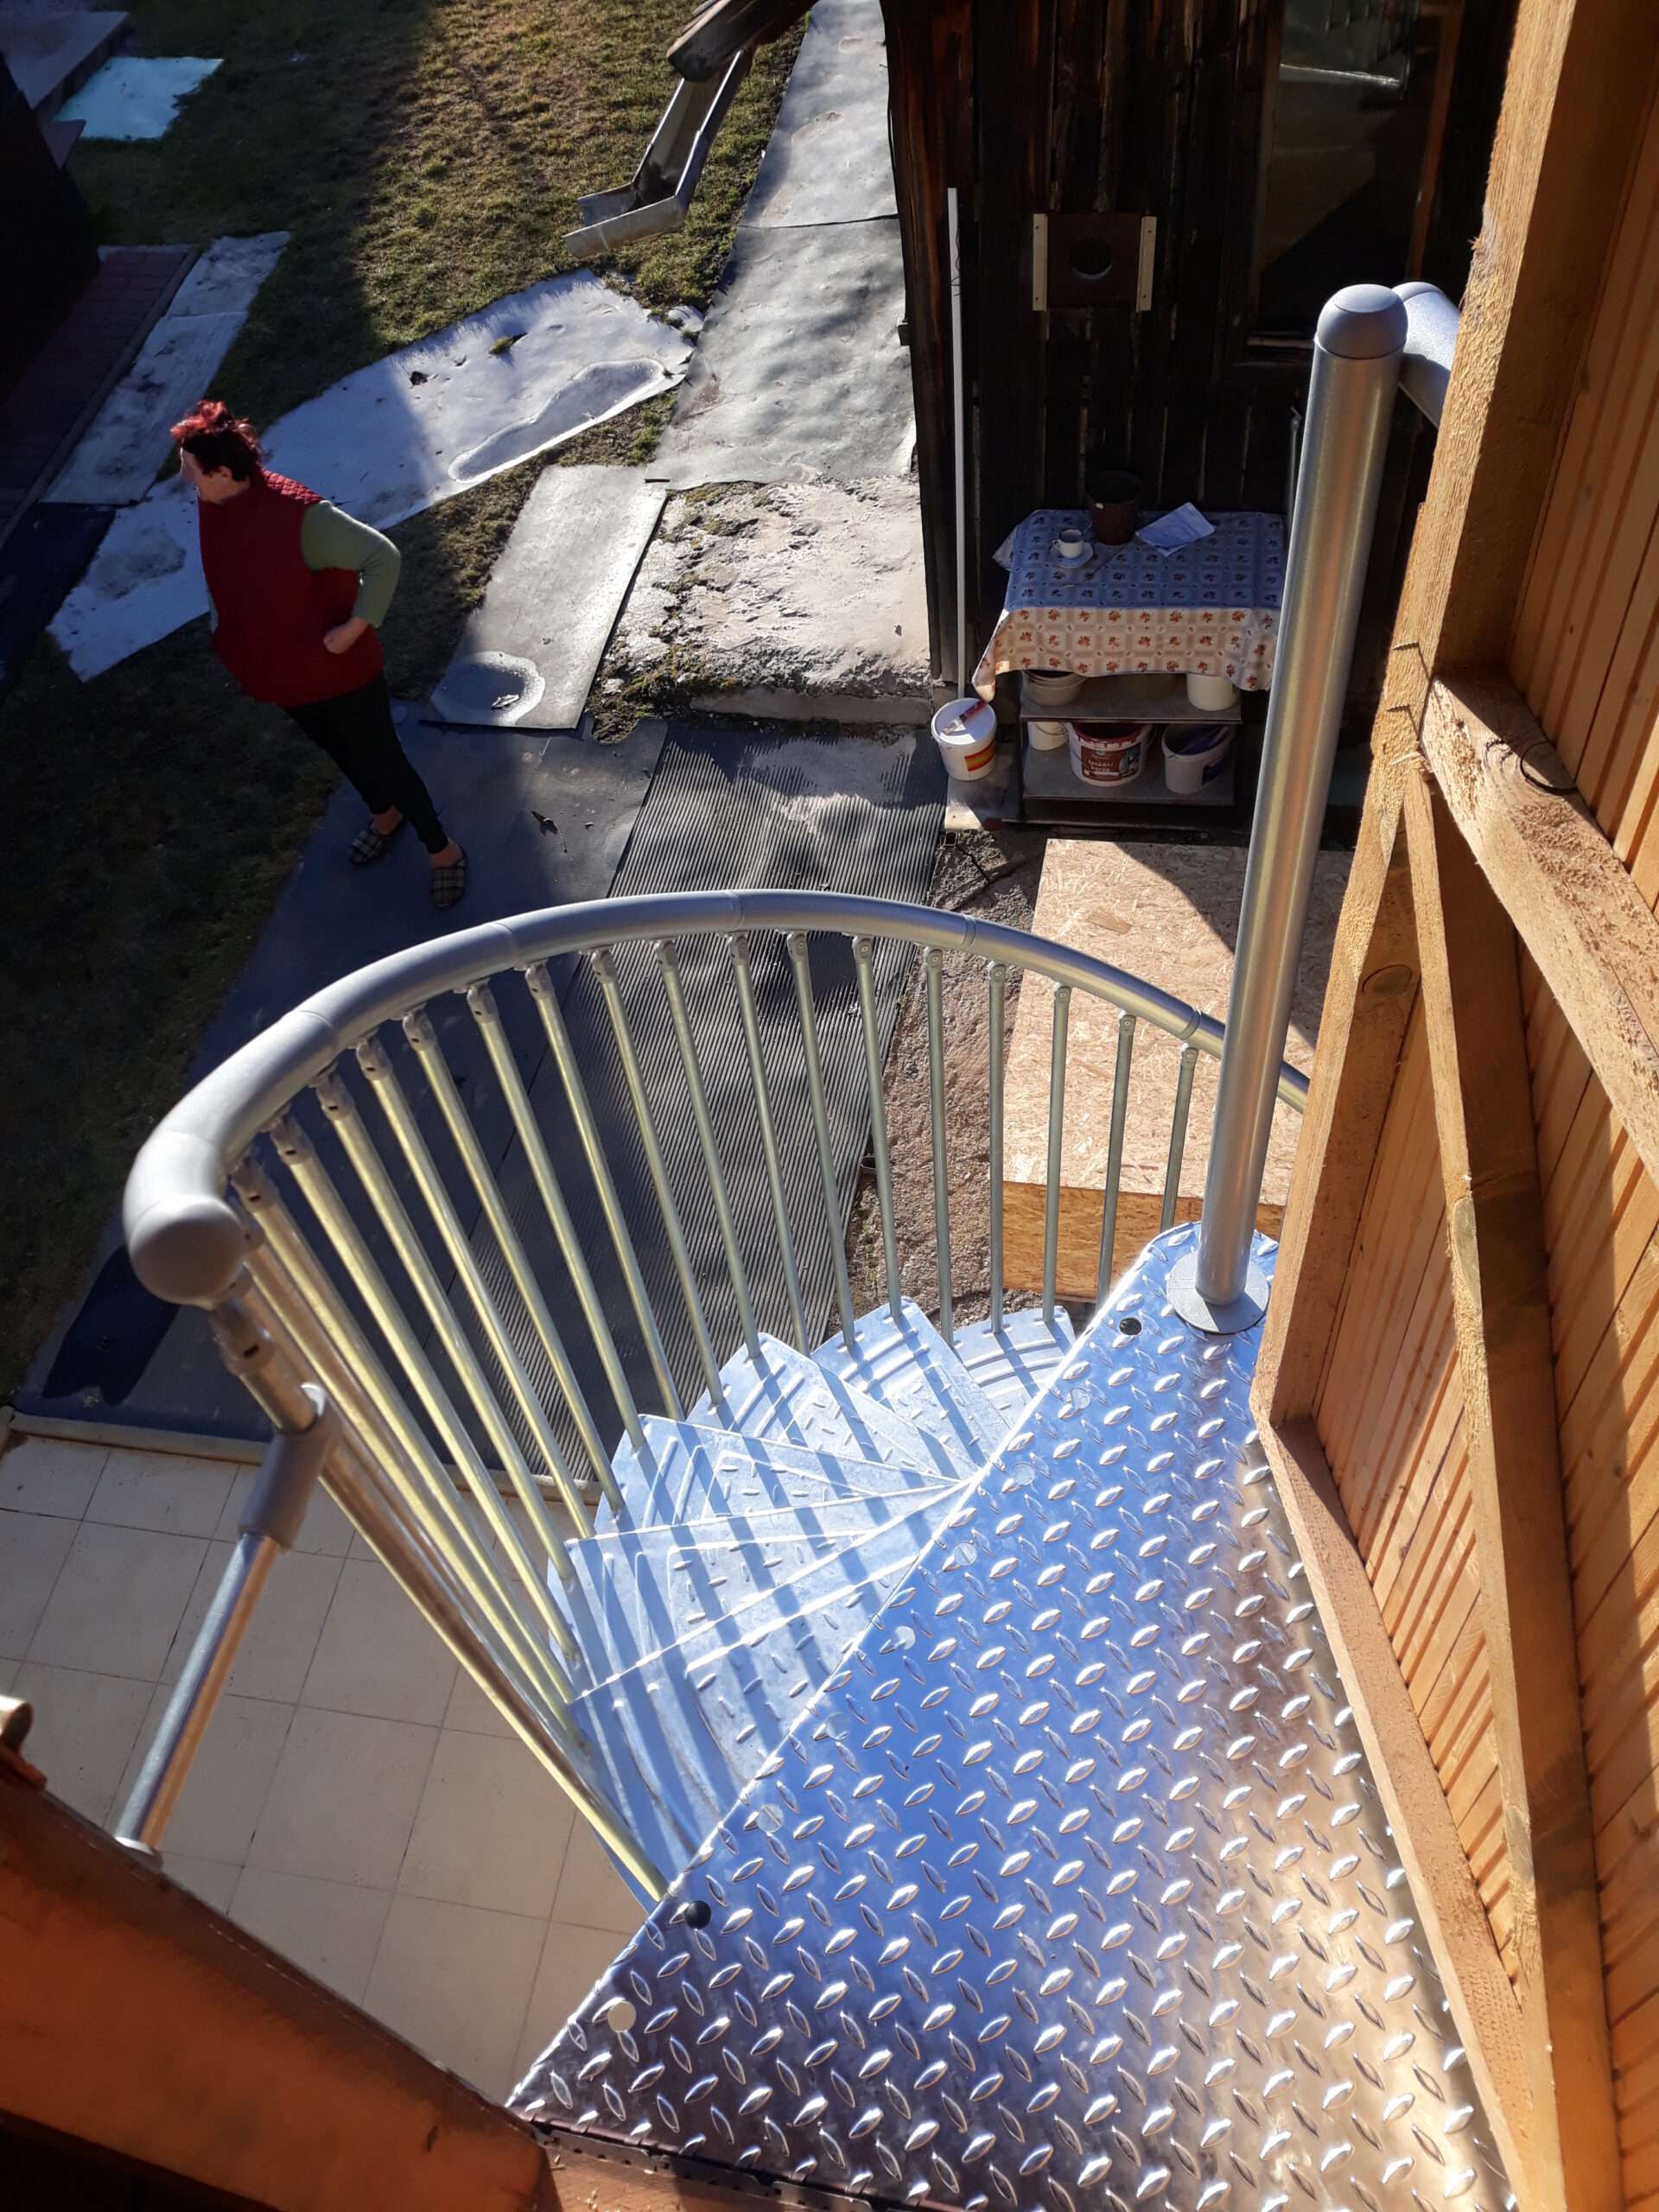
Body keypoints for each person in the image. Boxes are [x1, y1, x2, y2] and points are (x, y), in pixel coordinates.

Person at [171, 400, 467, 908]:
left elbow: (381, 556)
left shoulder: (302, 518)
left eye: (190, 469)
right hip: (281, 673)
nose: (184, 478)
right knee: (337, 748)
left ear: (221, 473)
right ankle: (385, 815)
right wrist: (223, 630)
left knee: (383, 761)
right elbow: (221, 571)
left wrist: (356, 627)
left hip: (340, 670)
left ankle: (443, 851)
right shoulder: (212, 504)